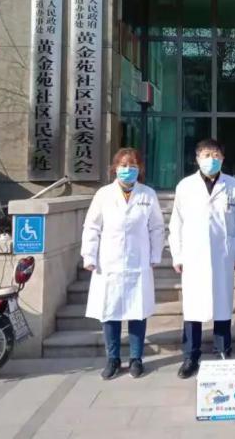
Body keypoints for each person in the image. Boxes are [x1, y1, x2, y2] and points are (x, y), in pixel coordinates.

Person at [81, 148, 165, 380]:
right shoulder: (103, 194)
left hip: (139, 261)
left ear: (140, 169)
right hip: (109, 263)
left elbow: (157, 227)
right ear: (115, 168)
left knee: (137, 311)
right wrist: (89, 256)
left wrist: (155, 255)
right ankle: (113, 359)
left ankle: (136, 359)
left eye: (133, 165)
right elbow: (92, 227)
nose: (128, 169)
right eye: (123, 165)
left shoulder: (148, 194)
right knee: (110, 312)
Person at [169, 138, 235, 379]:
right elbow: (176, 223)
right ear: (197, 158)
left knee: (222, 306)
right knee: (193, 307)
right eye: (206, 155)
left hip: (223, 255)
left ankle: (223, 352)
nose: (211, 159)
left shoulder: (233, 185)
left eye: (215, 155)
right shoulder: (185, 186)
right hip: (194, 256)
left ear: (222, 158)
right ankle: (191, 356)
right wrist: (177, 254)